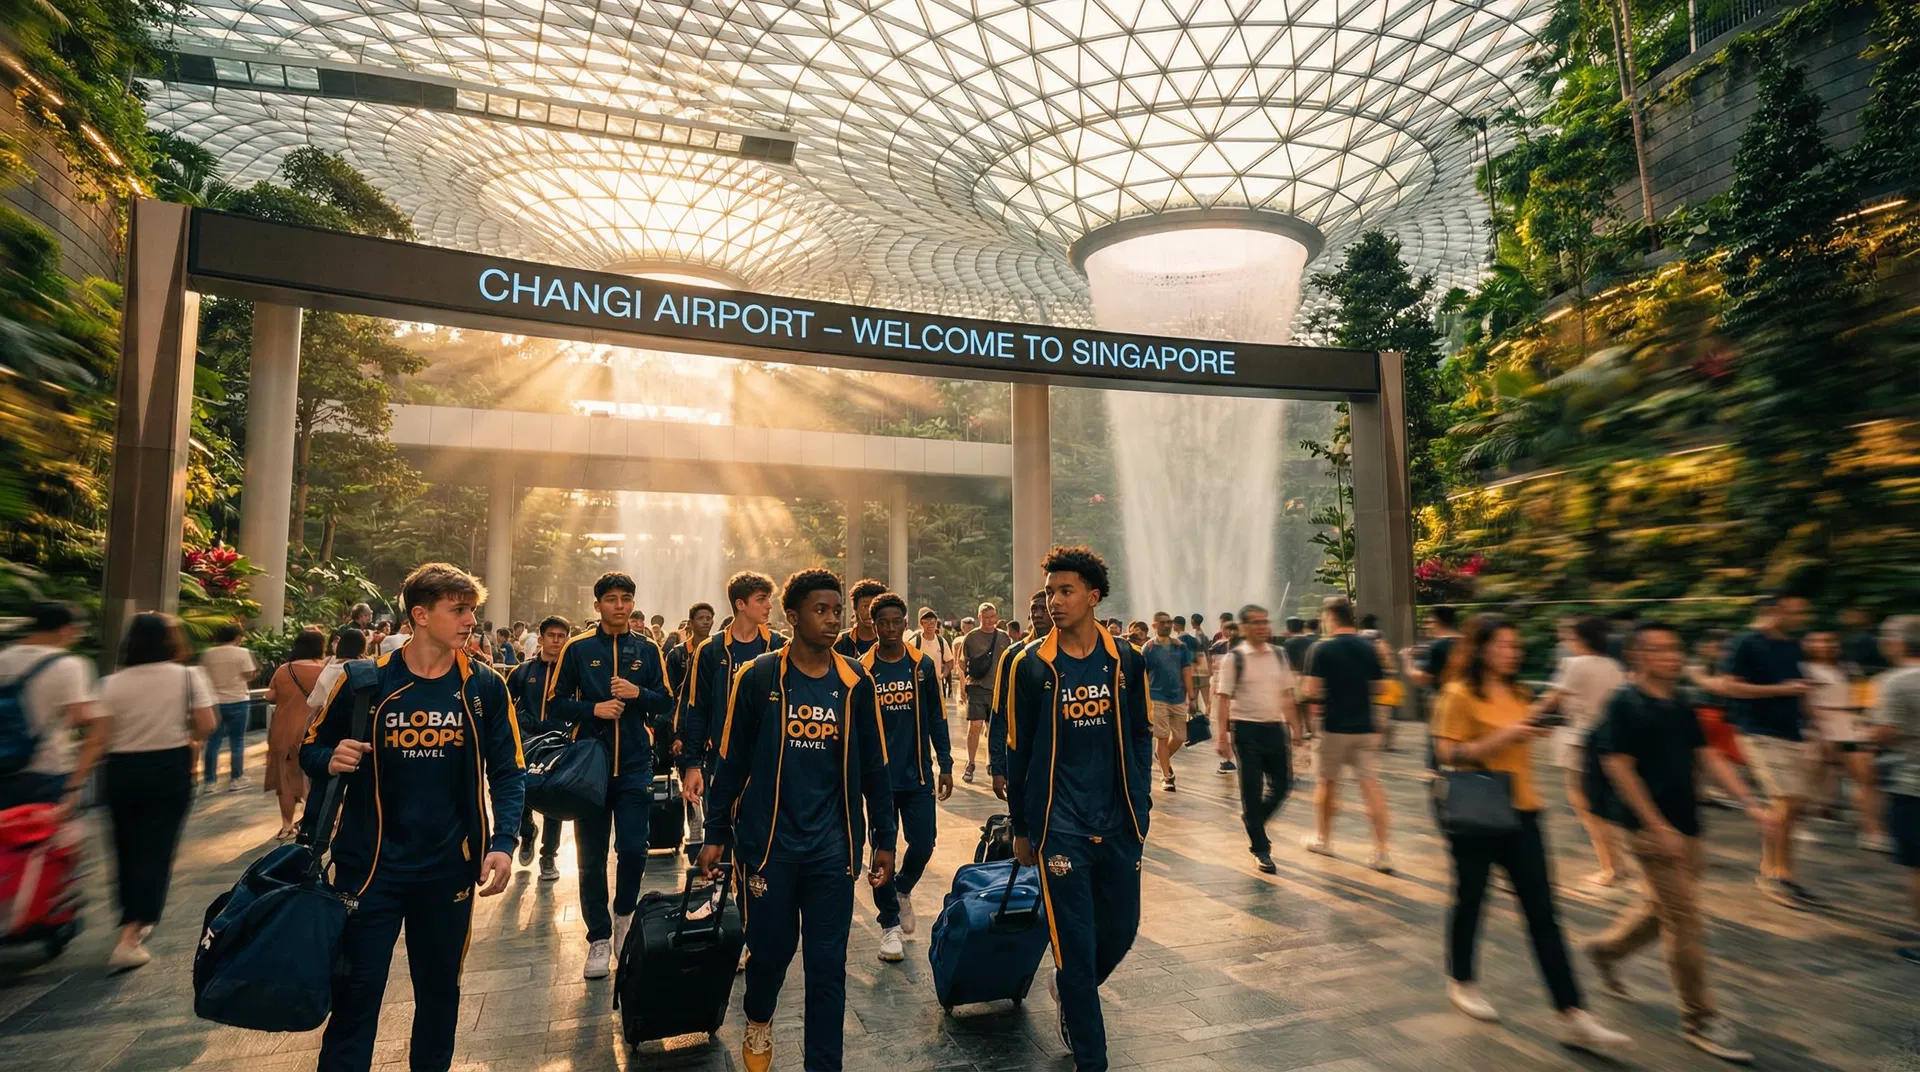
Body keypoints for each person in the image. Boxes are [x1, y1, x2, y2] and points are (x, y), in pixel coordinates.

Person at [302, 562, 524, 1071]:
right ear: (420, 615)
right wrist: (331, 757)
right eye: (458, 610)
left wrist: (503, 840)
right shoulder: (366, 682)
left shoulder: (484, 687)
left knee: (440, 996)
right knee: (356, 999)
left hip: (448, 870)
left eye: (472, 609)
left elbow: (509, 772)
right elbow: (311, 749)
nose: (471, 620)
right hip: (368, 870)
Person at [697, 568, 896, 1072]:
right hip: (770, 847)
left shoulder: (855, 680)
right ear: (793, 616)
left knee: (828, 968)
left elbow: (875, 766)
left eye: (837, 612)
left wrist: (884, 839)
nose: (833, 621)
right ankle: (759, 1016)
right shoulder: (760, 676)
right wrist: (716, 832)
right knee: (770, 954)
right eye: (820, 611)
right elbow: (731, 758)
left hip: (833, 849)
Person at [1431, 613, 1629, 1052]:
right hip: (1479, 810)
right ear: (1480, 648)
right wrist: (1503, 738)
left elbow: (1516, 736)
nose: (1511, 652)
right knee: (1471, 900)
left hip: (1525, 812)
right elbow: (1448, 753)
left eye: (1514, 646)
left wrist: (1527, 732)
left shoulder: (1519, 691)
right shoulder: (1457, 693)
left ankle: (1572, 1014)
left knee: (1543, 914)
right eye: (1502, 645)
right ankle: (1461, 979)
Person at [1583, 621, 1776, 1063]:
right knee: (1687, 922)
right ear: (1638, 656)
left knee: (1663, 910)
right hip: (1649, 830)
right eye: (1660, 650)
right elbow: (1618, 767)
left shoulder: (1682, 703)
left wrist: (1751, 803)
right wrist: (1656, 825)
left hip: (1688, 824)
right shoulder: (1625, 704)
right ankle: (1699, 1018)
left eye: (1675, 648)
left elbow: (1706, 756)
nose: (1672, 656)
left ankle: (1605, 950)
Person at [1007, 545, 1151, 1072]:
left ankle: (1071, 984)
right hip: (1059, 827)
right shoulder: (1030, 665)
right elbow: (1018, 749)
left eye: (1066, 591)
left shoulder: (1126, 660)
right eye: (1050, 591)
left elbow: (1139, 732)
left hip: (1118, 822)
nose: (1055, 600)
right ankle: (1092, 1057)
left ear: (1093, 597)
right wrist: (1024, 826)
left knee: (1123, 928)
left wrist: (1142, 797)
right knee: (1074, 942)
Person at [545, 570, 674, 979]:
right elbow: (555, 703)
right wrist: (594, 709)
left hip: (636, 763)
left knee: (635, 848)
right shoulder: (579, 649)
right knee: (591, 858)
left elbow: (666, 701)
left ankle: (624, 916)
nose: (620, 606)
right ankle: (598, 937)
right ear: (597, 604)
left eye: (626, 599)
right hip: (592, 770)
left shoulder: (648, 649)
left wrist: (639, 695)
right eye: (612, 599)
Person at [96, 611, 216, 971]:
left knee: (125, 846)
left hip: (120, 769)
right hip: (168, 767)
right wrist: (187, 737)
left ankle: (131, 918)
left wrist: (74, 785)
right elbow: (207, 723)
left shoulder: (112, 682)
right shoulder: (187, 677)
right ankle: (131, 935)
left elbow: (98, 737)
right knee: (157, 847)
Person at [861, 592, 952, 962]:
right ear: (874, 625)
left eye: (897, 622)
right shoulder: (862, 668)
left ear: (905, 622)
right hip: (878, 780)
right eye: (883, 623)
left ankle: (902, 889)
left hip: (917, 776)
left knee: (924, 843)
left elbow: (937, 717)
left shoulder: (922, 666)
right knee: (883, 850)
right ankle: (889, 927)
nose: (891, 629)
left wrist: (945, 762)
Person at [1719, 591, 1819, 908]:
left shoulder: (1792, 645)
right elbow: (1728, 685)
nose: (1800, 619)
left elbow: (1800, 689)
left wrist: (1816, 728)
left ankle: (1781, 873)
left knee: (1794, 807)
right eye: (1795, 611)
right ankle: (1773, 875)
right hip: (1758, 731)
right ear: (1773, 610)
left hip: (1793, 733)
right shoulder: (1745, 642)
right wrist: (1780, 690)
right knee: (1785, 800)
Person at [1531, 616, 1627, 886]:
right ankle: (1616, 864)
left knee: (1586, 807)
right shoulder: (1614, 666)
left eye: (1570, 638)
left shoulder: (1574, 664)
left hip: (1580, 743)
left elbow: (1551, 700)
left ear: (1581, 639)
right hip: (1607, 742)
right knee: (1602, 805)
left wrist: (1520, 718)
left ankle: (1611, 869)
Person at [678, 571, 787, 807]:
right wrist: (693, 764)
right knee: (719, 833)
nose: (769, 606)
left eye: (769, 599)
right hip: (722, 758)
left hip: (770, 759)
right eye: (761, 599)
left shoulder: (779, 646)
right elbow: (697, 708)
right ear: (740, 604)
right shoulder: (710, 650)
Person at [1301, 597, 1391, 872]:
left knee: (1326, 784)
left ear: (1330, 616)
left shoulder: (1321, 649)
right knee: (1370, 786)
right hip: (1365, 727)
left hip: (1334, 728)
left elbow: (1312, 691)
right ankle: (1382, 852)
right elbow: (1381, 689)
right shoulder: (1370, 647)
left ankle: (1323, 839)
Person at [1212, 604, 1298, 873]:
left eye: (1265, 621)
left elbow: (1287, 694)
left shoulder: (1280, 655)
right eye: (1256, 622)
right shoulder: (1234, 659)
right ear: (1245, 628)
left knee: (1283, 785)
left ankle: (1253, 821)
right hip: (1246, 730)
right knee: (1252, 789)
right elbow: (1222, 698)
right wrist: (1222, 737)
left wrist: (1297, 729)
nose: (1263, 627)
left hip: (1275, 728)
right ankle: (1261, 848)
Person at [0, 602, 103, 812]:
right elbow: (80, 717)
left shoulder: (4, 658)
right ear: (66, 630)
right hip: (47, 769)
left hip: (4, 765)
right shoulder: (70, 665)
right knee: (40, 839)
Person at [1867, 615, 1920, 965]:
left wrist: (1866, 734)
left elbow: (1885, 733)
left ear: (1897, 643)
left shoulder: (1895, 681)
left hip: (1913, 787)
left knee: (1918, 869)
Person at [1804, 627, 1884, 850]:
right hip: (1820, 726)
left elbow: (1865, 696)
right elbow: (1806, 703)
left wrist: (1867, 722)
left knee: (1867, 777)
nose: (1826, 645)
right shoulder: (1804, 669)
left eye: (1830, 640)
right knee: (1812, 779)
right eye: (1819, 640)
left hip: (1851, 726)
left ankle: (1872, 830)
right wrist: (1819, 731)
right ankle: (1802, 824)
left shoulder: (1849, 667)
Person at [506, 615, 572, 879]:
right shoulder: (522, 671)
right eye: (551, 636)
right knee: (522, 792)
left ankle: (548, 857)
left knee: (554, 799)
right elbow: (506, 705)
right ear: (541, 638)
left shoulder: (572, 673)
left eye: (561, 636)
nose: (556, 641)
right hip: (527, 744)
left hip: (559, 744)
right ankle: (527, 831)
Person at [263, 626, 328, 840]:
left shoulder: (284, 670)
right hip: (313, 731)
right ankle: (313, 822)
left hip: (284, 730)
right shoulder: (323, 671)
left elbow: (270, 695)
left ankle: (286, 825)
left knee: (285, 781)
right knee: (315, 778)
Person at [988, 589, 1051, 802]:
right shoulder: (1014, 656)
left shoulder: (1072, 652)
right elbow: (999, 714)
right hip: (1023, 759)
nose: (1038, 614)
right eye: (1034, 609)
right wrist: (997, 767)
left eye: (1045, 609)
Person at [198, 623, 258, 793]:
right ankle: (236, 778)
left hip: (215, 701)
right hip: (238, 700)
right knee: (237, 741)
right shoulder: (242, 653)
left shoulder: (208, 654)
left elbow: (203, 675)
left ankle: (210, 781)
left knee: (213, 742)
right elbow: (248, 674)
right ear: (237, 637)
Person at [1142, 611, 1195, 792]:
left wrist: (1192, 696)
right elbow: (1144, 675)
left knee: (1180, 737)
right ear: (1154, 626)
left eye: (1169, 622)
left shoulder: (1180, 647)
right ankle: (1167, 775)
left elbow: (1187, 671)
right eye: (1162, 622)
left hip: (1178, 697)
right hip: (1157, 697)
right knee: (1162, 737)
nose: (1167, 625)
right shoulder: (1148, 649)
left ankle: (1162, 757)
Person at [959, 603, 1010, 784]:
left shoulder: (1004, 638)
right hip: (977, 688)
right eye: (986, 617)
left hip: (998, 690)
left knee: (995, 729)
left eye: (992, 617)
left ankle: (992, 762)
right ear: (979, 618)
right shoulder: (971, 638)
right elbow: (962, 663)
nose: (990, 621)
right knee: (975, 726)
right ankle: (970, 762)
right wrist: (963, 685)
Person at [308, 628, 369, 719]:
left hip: (332, 722)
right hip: (361, 722)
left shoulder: (329, 670)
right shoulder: (370, 668)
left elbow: (315, 704)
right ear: (363, 647)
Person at [1208, 622, 1240, 773]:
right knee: (1225, 726)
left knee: (1232, 728)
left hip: (1234, 697)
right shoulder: (1217, 646)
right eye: (1227, 629)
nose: (1230, 633)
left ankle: (1232, 758)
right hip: (1223, 693)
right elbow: (1213, 670)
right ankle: (1228, 759)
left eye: (1233, 630)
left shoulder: (1240, 650)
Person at [666, 601, 715, 701]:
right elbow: (669, 689)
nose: (705, 622)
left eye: (708, 618)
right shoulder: (677, 654)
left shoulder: (719, 650)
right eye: (700, 618)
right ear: (691, 623)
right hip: (684, 711)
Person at [1408, 605, 1462, 692]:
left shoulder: (1439, 645)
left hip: (1447, 697)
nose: (1427, 626)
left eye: (1429, 622)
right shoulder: (1465, 642)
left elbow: (1424, 680)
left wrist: (1407, 661)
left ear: (1438, 622)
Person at [832, 577, 886, 658]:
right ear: (855, 608)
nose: (869, 612)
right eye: (865, 606)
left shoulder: (889, 640)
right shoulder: (840, 642)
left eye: (874, 605)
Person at [907, 607, 954, 698]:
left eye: (933, 622)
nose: (930, 625)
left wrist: (943, 675)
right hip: (918, 688)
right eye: (927, 622)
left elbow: (949, 662)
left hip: (936, 688)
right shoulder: (915, 642)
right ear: (921, 624)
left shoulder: (941, 642)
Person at [1175, 615, 1208, 718]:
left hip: (1185, 671)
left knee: (1186, 696)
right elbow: (1200, 655)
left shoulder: (1179, 640)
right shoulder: (1195, 638)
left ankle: (1187, 716)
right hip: (1198, 670)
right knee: (1195, 695)